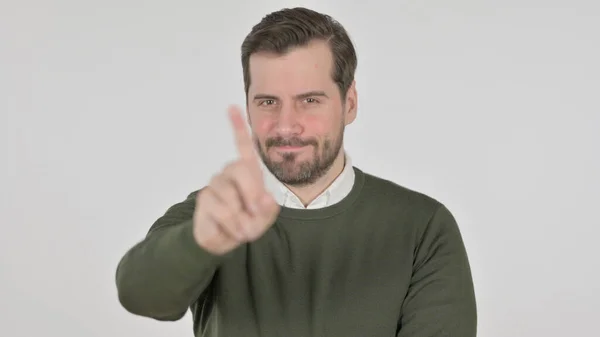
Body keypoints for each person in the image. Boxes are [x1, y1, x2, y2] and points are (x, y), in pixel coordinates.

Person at [115, 7, 477, 337]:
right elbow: (140, 295)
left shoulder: (422, 227)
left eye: (310, 101)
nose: (286, 125)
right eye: (268, 102)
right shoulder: (211, 215)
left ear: (348, 104)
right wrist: (201, 241)